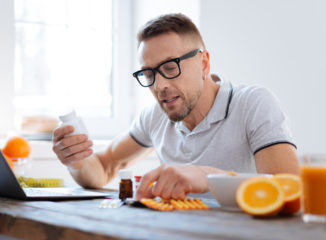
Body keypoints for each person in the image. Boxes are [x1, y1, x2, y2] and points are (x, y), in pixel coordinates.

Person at [52, 13, 300, 200]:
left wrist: (207, 177)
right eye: (148, 74)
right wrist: (76, 161)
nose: (159, 86)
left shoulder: (252, 103)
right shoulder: (154, 117)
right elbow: (104, 167)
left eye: (170, 68)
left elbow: (288, 190)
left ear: (204, 64)